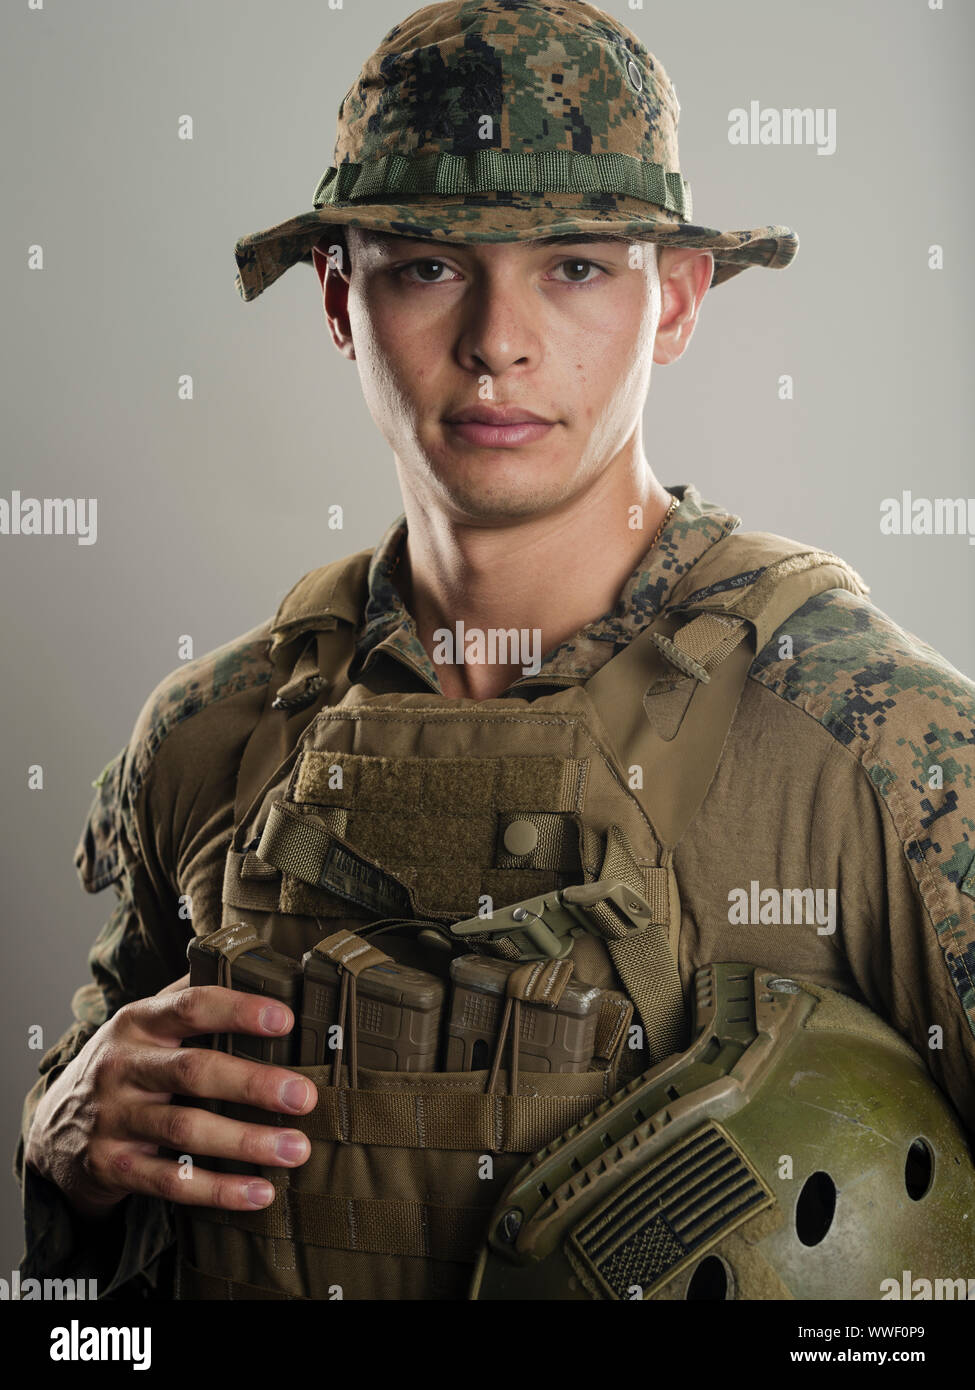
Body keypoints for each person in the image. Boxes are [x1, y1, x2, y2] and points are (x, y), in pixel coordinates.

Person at [15, 0, 975, 1301]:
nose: (496, 340)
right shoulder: (212, 735)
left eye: (575, 264)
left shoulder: (875, 745)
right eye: (427, 265)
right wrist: (58, 1141)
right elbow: (84, 1305)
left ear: (676, 298)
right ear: (342, 300)